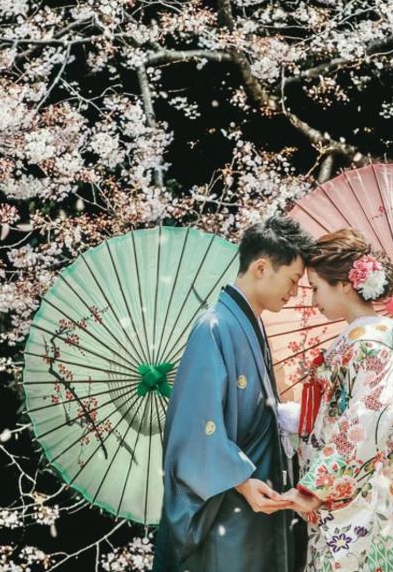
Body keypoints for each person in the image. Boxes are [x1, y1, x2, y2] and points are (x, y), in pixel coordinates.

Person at [151, 215, 317, 572]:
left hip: (256, 501)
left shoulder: (249, 323)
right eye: (292, 280)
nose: (294, 291)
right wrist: (240, 481)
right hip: (228, 507)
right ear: (261, 268)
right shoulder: (213, 327)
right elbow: (196, 428)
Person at [281, 228, 393, 572]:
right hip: (352, 504)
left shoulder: (370, 347)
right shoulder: (362, 345)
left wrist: (313, 490)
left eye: (316, 288)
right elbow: (342, 419)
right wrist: (294, 420)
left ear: (344, 285)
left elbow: (363, 426)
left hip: (362, 508)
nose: (313, 300)